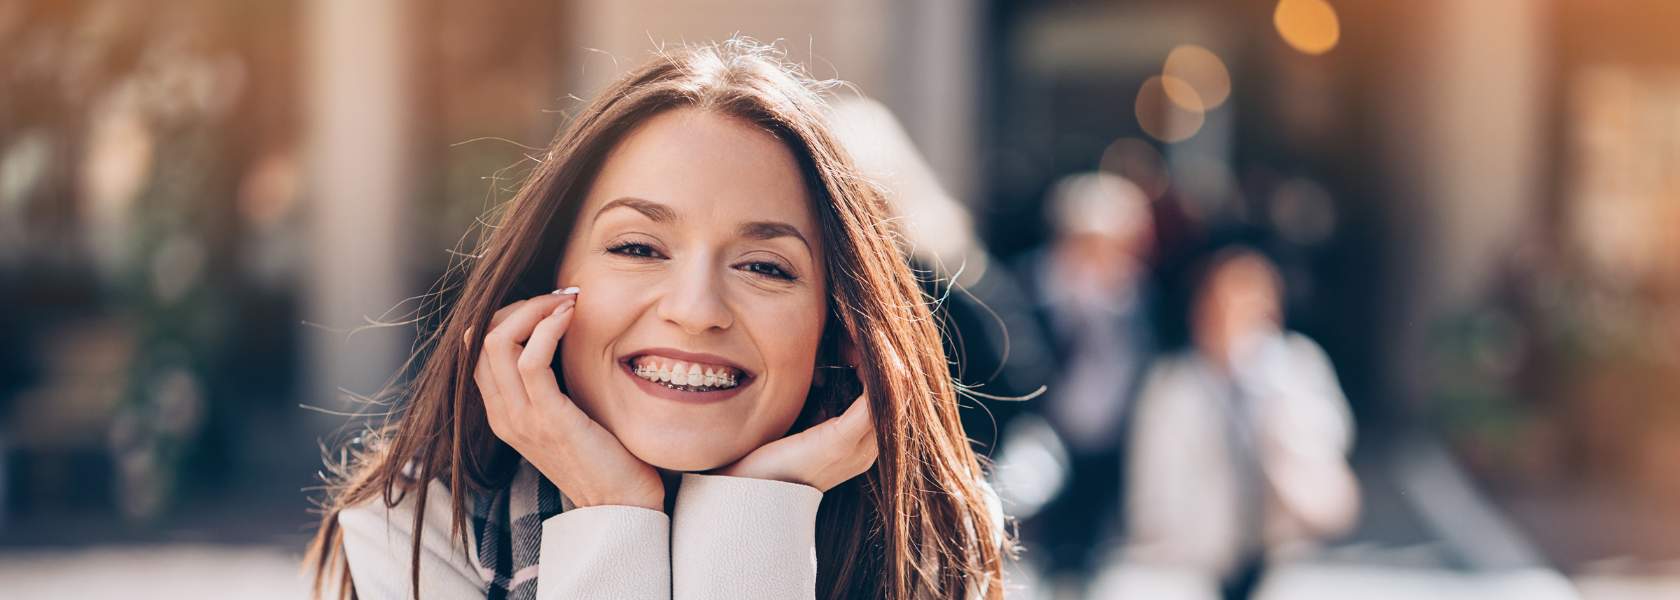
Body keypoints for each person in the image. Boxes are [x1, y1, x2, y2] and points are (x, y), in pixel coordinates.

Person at [302, 39, 1008, 600]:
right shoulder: (414, 540)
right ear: (549, 281)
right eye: (638, 248)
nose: (696, 310)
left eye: (765, 266)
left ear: (840, 329)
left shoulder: (933, 546)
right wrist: (612, 509)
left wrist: (754, 516)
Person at [1124, 246, 1359, 600]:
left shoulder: (1294, 367)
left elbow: (1329, 435)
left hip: (1280, 536)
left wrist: (1268, 394)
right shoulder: (1175, 381)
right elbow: (1154, 466)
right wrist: (1155, 531)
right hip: (1201, 546)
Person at [1016, 171, 1157, 585]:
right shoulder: (1035, 285)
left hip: (1110, 435)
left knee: (1094, 551)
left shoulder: (1137, 295)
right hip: (1048, 431)